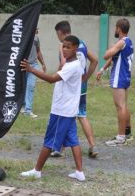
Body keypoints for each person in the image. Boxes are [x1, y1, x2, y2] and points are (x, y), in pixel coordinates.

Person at [20, 35, 85, 181]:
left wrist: (31, 69)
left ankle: (37, 171)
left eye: (68, 47)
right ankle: (79, 172)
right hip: (69, 111)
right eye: (63, 46)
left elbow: (51, 80)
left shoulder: (72, 66)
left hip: (62, 111)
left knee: (49, 141)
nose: (64, 49)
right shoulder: (76, 63)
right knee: (73, 141)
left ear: (75, 48)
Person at [50, 20, 99, 158]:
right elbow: (94, 60)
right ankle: (92, 145)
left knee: (64, 115)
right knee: (82, 115)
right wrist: (86, 77)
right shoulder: (81, 43)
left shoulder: (63, 45)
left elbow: (63, 64)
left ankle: (59, 148)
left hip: (70, 88)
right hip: (81, 87)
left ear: (60, 33)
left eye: (57, 34)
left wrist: (58, 72)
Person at [97, 18, 134, 146]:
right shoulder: (128, 42)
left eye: (115, 27)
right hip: (125, 77)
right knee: (124, 105)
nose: (115, 29)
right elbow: (114, 58)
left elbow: (106, 55)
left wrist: (112, 47)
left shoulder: (121, 42)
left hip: (119, 77)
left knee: (120, 107)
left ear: (119, 28)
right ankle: (127, 133)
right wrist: (102, 69)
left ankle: (120, 137)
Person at [21, 28, 46, 118]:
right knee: (22, 86)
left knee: (30, 86)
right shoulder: (23, 37)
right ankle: (22, 106)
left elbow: (38, 51)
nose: (37, 30)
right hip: (23, 65)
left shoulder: (36, 38)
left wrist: (43, 63)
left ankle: (28, 110)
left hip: (34, 65)